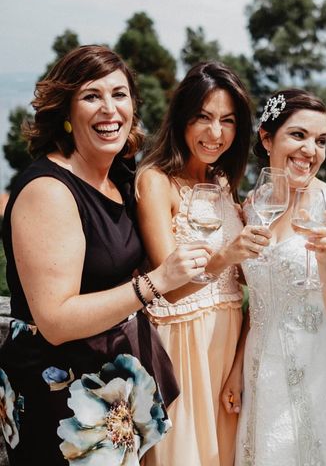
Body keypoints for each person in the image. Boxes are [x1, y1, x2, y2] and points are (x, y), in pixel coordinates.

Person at [0, 45, 213, 465]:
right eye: (91, 96)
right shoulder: (49, 191)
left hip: (109, 388)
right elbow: (56, 321)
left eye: (119, 94)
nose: (109, 108)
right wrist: (154, 283)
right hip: (59, 395)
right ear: (66, 110)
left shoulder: (118, 174)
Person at [224, 89, 326, 465]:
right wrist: (237, 368)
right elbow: (259, 301)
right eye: (298, 135)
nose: (311, 150)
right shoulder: (252, 207)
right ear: (266, 137)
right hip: (265, 375)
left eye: (321, 140)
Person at [135, 61, 259, 466]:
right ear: (182, 118)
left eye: (227, 121)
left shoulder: (223, 182)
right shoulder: (155, 180)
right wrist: (229, 255)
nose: (215, 133)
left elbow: (239, 276)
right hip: (181, 347)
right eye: (204, 117)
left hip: (226, 344)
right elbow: (167, 287)